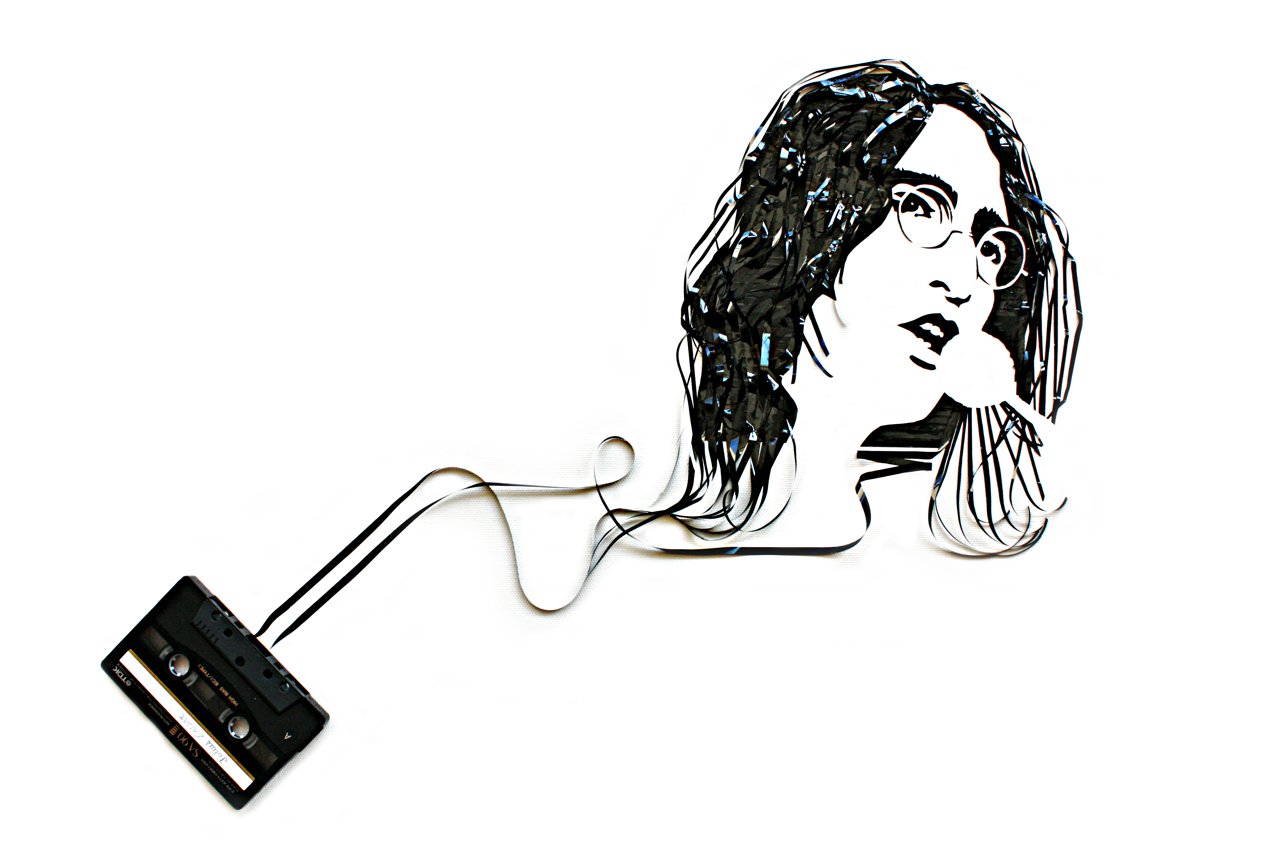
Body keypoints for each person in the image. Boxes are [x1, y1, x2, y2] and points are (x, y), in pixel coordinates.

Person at [593, 60, 1081, 564]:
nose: (963, 283)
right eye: (921, 209)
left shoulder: (910, 527)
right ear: (817, 217)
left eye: (990, 248)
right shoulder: (654, 439)